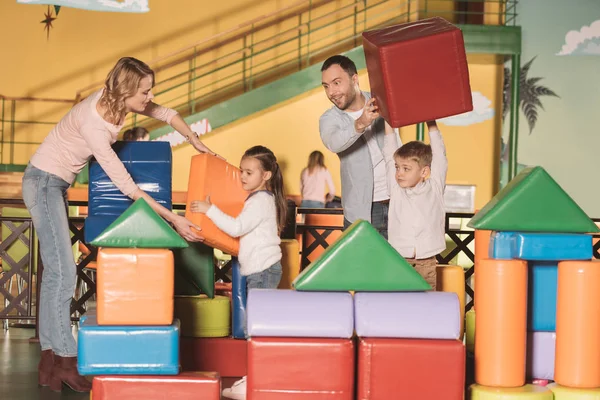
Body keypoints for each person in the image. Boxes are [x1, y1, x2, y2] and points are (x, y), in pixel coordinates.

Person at [21, 57, 218, 393]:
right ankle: (65, 361)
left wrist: (194, 139)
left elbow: (167, 113)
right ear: (126, 90)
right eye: (144, 90)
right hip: (42, 182)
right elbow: (130, 189)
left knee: (56, 273)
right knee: (64, 272)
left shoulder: (119, 102)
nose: (149, 96)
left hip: (53, 182)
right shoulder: (94, 126)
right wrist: (174, 219)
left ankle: (49, 363)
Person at [190, 145, 286, 400]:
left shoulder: (261, 201)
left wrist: (208, 209)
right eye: (241, 171)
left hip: (263, 271)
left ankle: (256, 380)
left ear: (265, 175)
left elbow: (236, 228)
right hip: (261, 269)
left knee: (258, 329)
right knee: (257, 327)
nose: (243, 176)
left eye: (249, 172)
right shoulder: (259, 199)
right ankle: (252, 377)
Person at [319, 55, 401, 238]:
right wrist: (360, 124)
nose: (331, 92)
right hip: (362, 211)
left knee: (400, 265)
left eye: (336, 83)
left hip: (400, 202)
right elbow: (334, 142)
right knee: (362, 266)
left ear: (354, 79)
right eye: (326, 86)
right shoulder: (329, 119)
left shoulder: (381, 100)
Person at [383, 120, 448, 289]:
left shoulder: (434, 188)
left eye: (406, 168)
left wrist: (431, 122)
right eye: (397, 168)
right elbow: (389, 152)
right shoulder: (396, 190)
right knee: (400, 301)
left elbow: (439, 155)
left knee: (426, 302)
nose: (399, 173)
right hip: (399, 259)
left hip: (426, 261)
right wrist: (388, 121)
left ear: (424, 171)